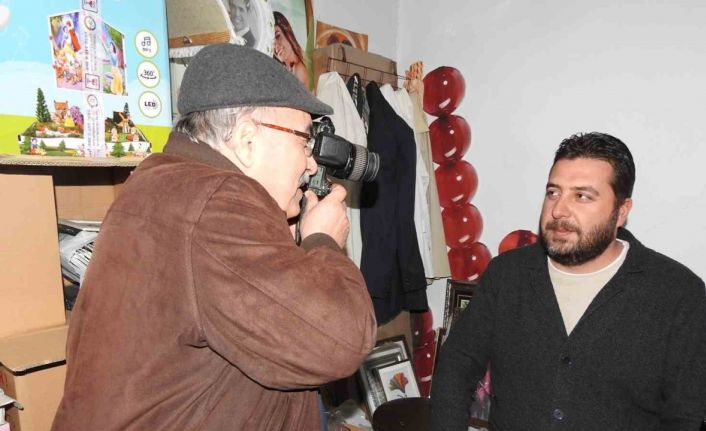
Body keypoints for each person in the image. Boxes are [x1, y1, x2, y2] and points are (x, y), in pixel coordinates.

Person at [51, 43, 376, 431]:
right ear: (247, 139)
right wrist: (322, 241)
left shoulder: (162, 180)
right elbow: (338, 343)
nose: (310, 163)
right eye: (303, 141)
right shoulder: (220, 203)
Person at [430, 132, 706, 430]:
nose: (558, 210)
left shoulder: (678, 293)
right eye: (553, 192)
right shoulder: (507, 274)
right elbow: (457, 365)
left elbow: (685, 414)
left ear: (621, 211)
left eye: (581, 196)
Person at [273, 11, 308, 86]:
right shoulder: (287, 69)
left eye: (277, 36)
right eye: (271, 42)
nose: (276, 46)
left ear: (287, 33)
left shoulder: (298, 70)